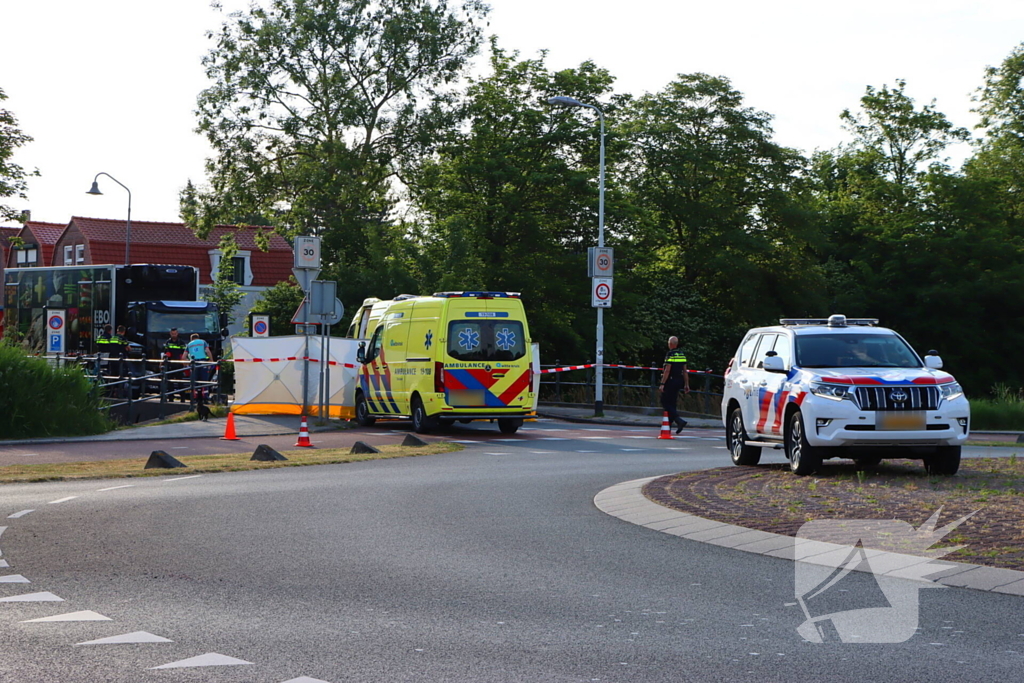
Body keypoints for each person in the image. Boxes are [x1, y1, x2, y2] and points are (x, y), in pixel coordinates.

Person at [658, 336, 691, 434]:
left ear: (671, 344)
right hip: (679, 381)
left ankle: (678, 420)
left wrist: (662, 383)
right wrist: (686, 384)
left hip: (670, 381)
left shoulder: (670, 354)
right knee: (672, 402)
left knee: (665, 402)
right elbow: (685, 371)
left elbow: (667, 370)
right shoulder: (682, 354)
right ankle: (668, 426)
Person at [163, 328, 188, 401]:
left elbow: (184, 353)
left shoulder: (181, 342)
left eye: (175, 333)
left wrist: (184, 362)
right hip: (170, 364)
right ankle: (171, 398)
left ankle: (182, 398)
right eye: (172, 334)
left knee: (180, 382)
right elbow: (165, 352)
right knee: (170, 382)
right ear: (170, 334)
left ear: (177, 333)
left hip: (179, 364)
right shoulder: (167, 342)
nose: (174, 335)